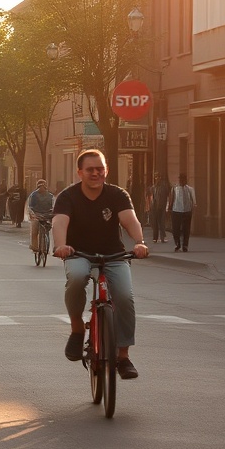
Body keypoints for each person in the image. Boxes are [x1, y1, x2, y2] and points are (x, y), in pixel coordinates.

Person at [52, 149, 149, 379]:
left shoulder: (117, 195)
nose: (96, 173)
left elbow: (130, 219)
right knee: (76, 277)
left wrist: (139, 242)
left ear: (106, 171)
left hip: (114, 255)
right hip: (79, 253)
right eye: (90, 170)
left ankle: (123, 356)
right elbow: (59, 222)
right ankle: (77, 328)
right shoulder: (68, 196)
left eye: (100, 169)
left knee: (124, 296)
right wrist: (61, 245)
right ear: (80, 173)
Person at [168, 173, 198, 253]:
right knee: (175, 229)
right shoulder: (175, 188)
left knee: (186, 229)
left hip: (187, 211)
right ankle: (177, 243)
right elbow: (171, 198)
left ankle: (185, 245)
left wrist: (194, 207)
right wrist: (169, 208)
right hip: (176, 210)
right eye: (180, 179)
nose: (182, 181)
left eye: (183, 179)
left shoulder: (190, 189)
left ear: (186, 180)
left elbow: (194, 201)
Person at [27, 180, 55, 254]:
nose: (41, 188)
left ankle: (45, 248)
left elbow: (52, 206)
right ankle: (35, 247)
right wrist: (32, 214)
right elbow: (31, 207)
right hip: (37, 214)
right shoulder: (34, 195)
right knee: (34, 230)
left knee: (46, 229)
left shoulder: (50, 196)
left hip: (47, 215)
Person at [147, 173, 171, 243]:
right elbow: (151, 197)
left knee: (162, 223)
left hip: (162, 207)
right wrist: (149, 206)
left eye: (158, 177)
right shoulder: (153, 187)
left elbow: (169, 196)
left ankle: (162, 237)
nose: (157, 179)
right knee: (155, 223)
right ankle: (155, 238)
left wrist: (168, 206)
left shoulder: (164, 187)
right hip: (154, 207)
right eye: (156, 178)